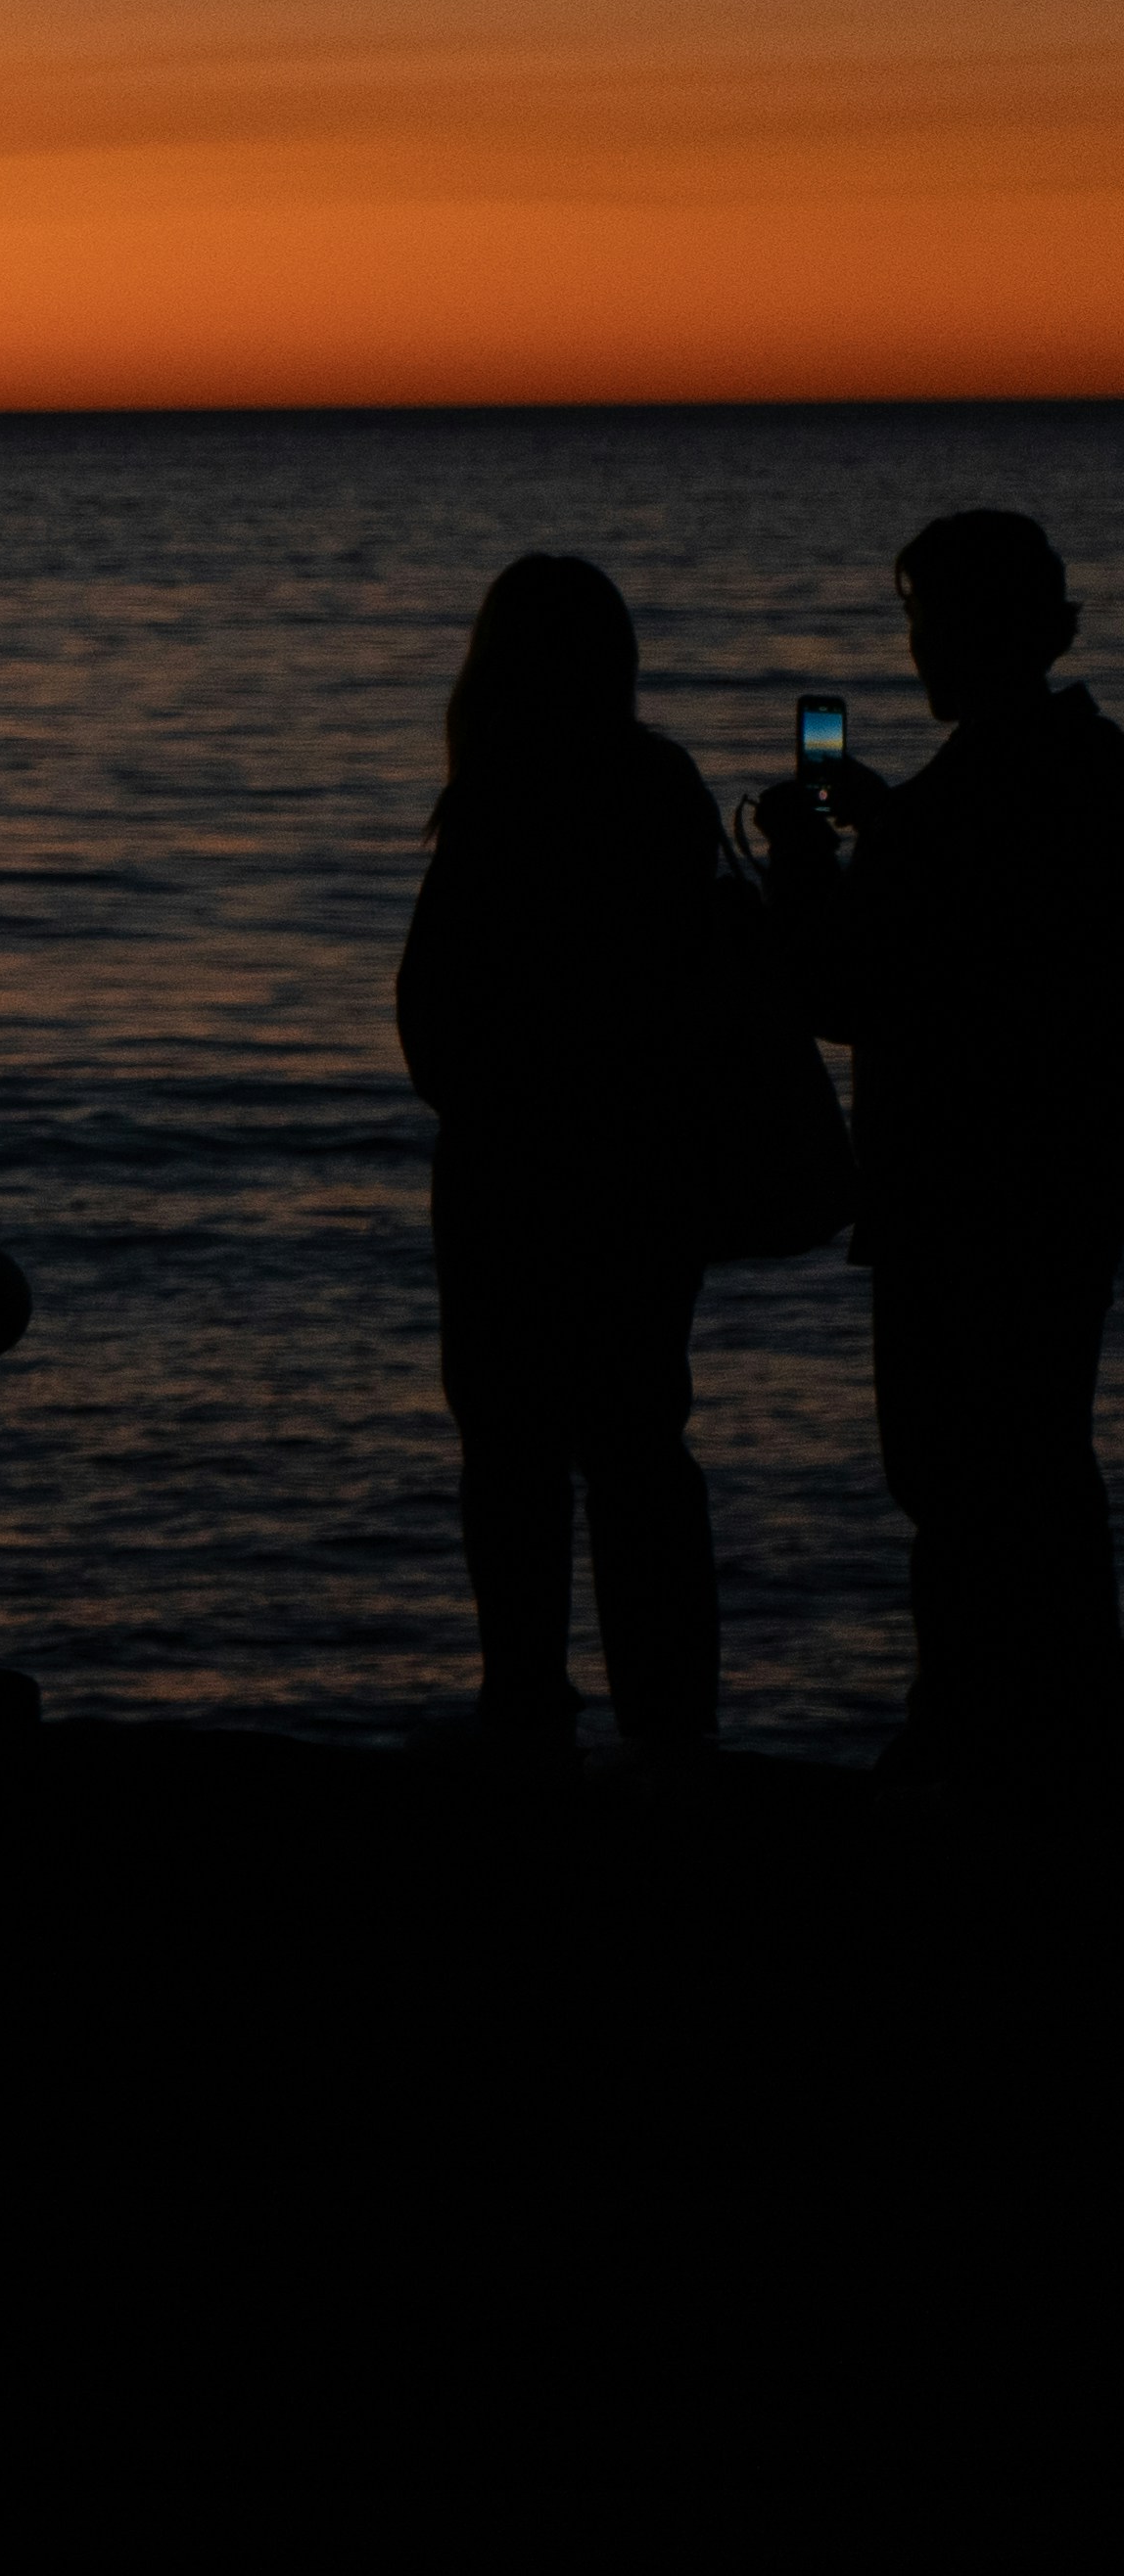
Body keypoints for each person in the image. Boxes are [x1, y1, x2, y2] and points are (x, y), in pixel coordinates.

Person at [757, 509, 1124, 1787]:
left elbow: (846, 989)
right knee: (1040, 1467)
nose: (913, 647)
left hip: (957, 1189)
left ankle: (974, 1739)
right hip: (1068, 1182)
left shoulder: (963, 808)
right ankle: (1056, 1727)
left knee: (958, 1476)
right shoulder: (1090, 768)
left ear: (978, 630)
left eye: (924, 621)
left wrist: (804, 868)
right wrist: (890, 821)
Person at [394, 555, 733, 1768]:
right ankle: (671, 1719)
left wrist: (500, 1098)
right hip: (643, 1172)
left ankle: (527, 1703)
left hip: (510, 1178)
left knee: (512, 1454)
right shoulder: (662, 787)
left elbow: (432, 1014)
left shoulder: (495, 800)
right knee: (640, 1445)